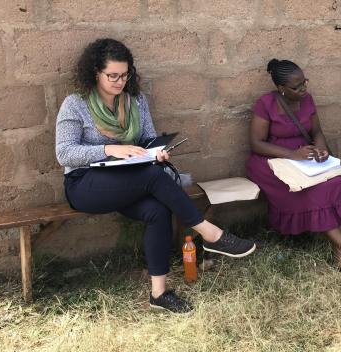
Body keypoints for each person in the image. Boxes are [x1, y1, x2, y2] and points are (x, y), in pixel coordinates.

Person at [55, 38, 256, 313]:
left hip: (127, 179)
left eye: (124, 75)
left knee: (157, 209)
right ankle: (211, 234)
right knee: (152, 177)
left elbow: (148, 139)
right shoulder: (75, 104)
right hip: (85, 184)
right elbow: (65, 154)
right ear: (95, 73)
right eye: (112, 76)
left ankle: (159, 294)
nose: (119, 81)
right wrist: (109, 148)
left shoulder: (135, 100)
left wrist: (157, 153)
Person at [246, 59, 341, 275]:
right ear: (281, 88)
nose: (303, 90)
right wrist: (292, 154)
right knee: (311, 190)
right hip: (272, 161)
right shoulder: (266, 104)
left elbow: (316, 132)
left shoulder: (307, 100)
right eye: (296, 87)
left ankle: (339, 254)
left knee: (334, 182)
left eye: (304, 83)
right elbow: (256, 143)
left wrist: (321, 149)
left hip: (305, 158)